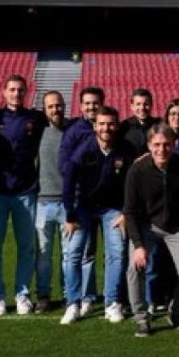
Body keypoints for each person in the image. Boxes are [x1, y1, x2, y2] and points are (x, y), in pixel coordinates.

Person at [0, 75, 46, 316]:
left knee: (26, 247)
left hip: (26, 192)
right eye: (12, 90)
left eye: (20, 90)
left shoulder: (36, 118)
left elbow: (63, 123)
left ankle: (22, 295)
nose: (16, 94)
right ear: (4, 92)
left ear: (26, 93)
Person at [123, 124, 179, 338]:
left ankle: (175, 311)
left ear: (174, 144)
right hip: (147, 227)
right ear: (149, 146)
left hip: (177, 227)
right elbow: (129, 210)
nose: (162, 149)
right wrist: (138, 245)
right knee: (134, 268)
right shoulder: (137, 170)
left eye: (166, 144)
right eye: (156, 145)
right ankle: (141, 317)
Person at [60, 107, 133, 326]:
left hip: (113, 209)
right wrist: (70, 216)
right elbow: (68, 182)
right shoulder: (83, 150)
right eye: (102, 124)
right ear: (95, 126)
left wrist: (127, 212)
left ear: (116, 126)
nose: (106, 128)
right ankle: (73, 303)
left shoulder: (126, 150)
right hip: (84, 208)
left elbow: (133, 184)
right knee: (73, 254)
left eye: (110, 124)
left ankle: (112, 303)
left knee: (117, 254)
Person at [33, 90, 68, 314]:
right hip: (43, 202)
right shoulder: (37, 131)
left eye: (58, 105)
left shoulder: (73, 130)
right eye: (50, 106)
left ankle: (69, 294)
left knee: (69, 254)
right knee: (44, 253)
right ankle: (43, 295)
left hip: (67, 203)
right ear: (44, 109)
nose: (55, 109)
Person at [120, 88, 159, 158]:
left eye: (146, 104)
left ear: (151, 105)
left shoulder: (159, 125)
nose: (142, 108)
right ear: (132, 106)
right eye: (138, 104)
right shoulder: (124, 126)